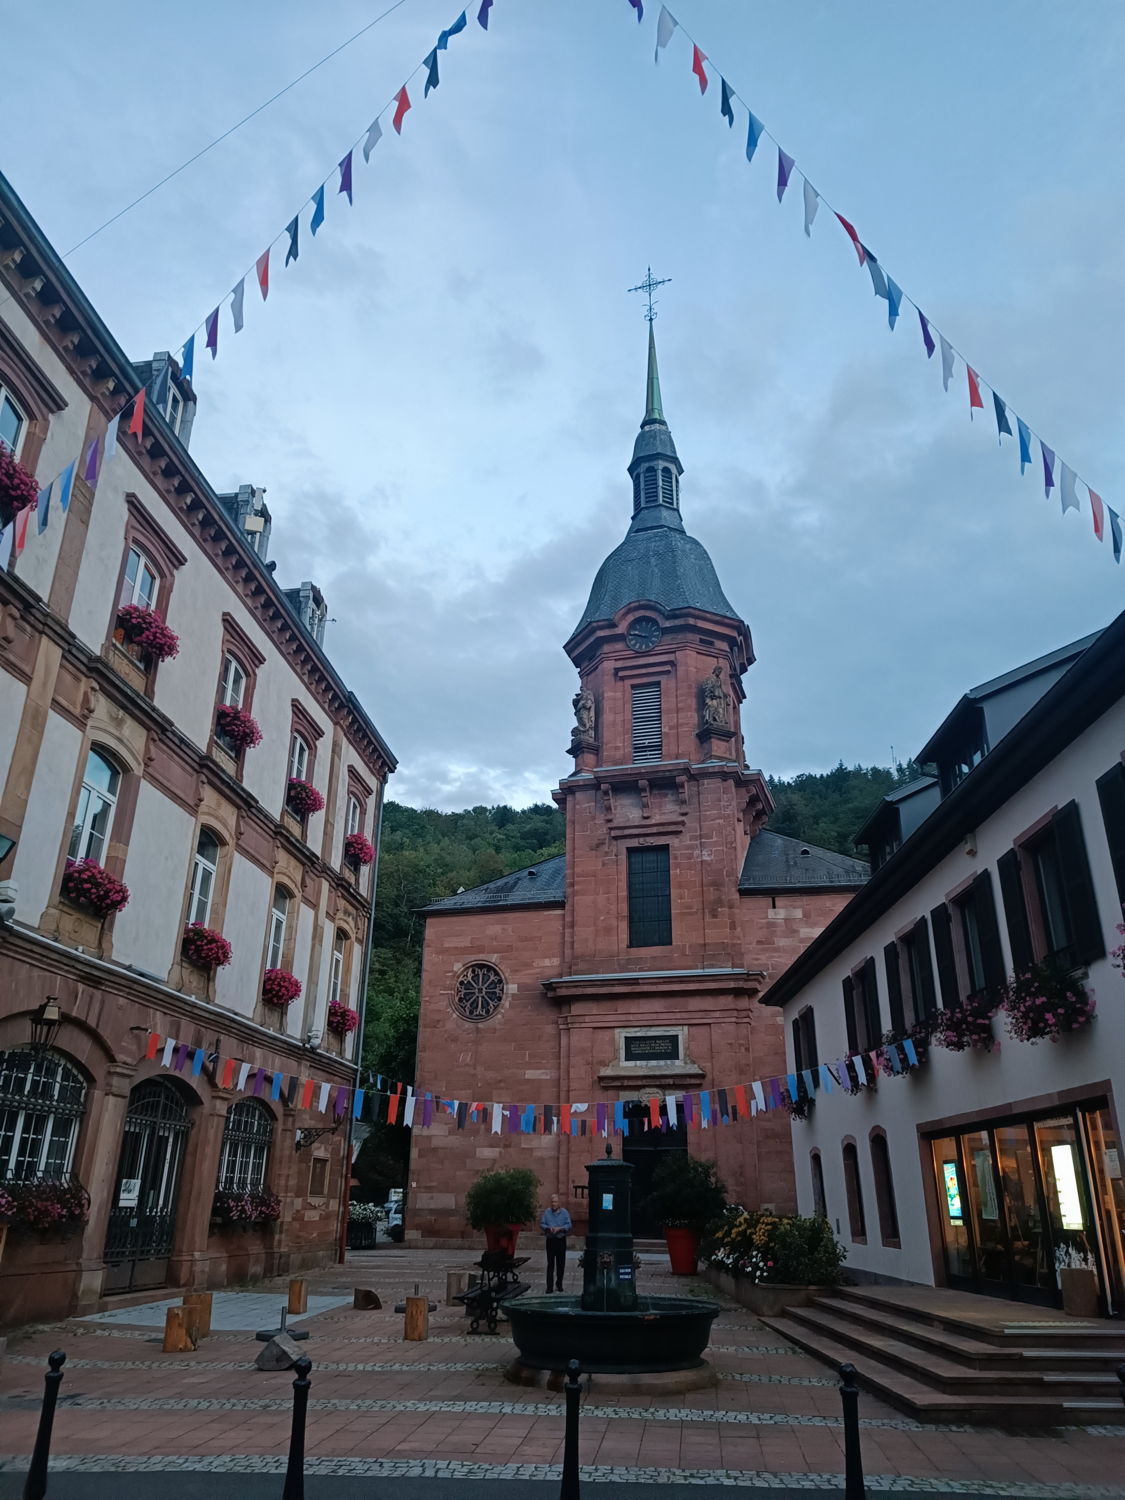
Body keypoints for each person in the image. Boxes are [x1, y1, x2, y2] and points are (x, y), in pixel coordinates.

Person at [540, 1193, 572, 1293]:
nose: (554, 1204)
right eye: (552, 1202)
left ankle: (559, 1284)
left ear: (559, 1203)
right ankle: (549, 1287)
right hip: (550, 1240)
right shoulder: (547, 1212)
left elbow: (569, 1225)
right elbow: (542, 1224)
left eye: (555, 1202)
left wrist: (560, 1228)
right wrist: (548, 1228)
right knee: (550, 1264)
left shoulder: (565, 1213)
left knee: (560, 1264)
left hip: (560, 1240)